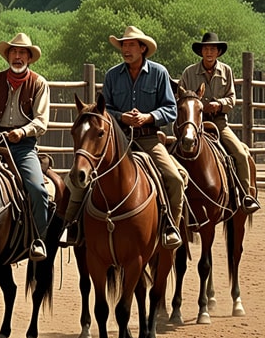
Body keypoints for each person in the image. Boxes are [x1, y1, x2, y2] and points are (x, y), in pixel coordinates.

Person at [65, 26, 185, 249]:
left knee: (175, 179)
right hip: (116, 140)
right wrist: (122, 117)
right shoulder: (112, 75)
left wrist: (148, 117)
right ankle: (72, 224)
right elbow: (104, 109)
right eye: (123, 45)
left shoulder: (159, 73)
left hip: (148, 138)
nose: (125, 49)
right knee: (84, 173)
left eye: (130, 45)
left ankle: (170, 226)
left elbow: (171, 109)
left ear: (142, 48)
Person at [0, 33, 50, 261]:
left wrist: (23, 132)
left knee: (37, 189)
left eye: (22, 53)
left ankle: (38, 238)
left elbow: (41, 121)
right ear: (8, 56)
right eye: (14, 52)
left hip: (23, 146)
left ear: (29, 57)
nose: (17, 57)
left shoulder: (39, 83)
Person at [178, 32, 260, 214]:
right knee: (173, 152)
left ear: (218, 52)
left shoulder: (226, 71)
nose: (209, 52)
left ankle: (246, 195)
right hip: (194, 124)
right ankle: (171, 200)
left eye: (213, 49)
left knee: (240, 153)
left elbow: (231, 99)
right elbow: (181, 97)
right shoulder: (188, 73)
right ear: (201, 51)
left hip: (218, 123)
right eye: (206, 48)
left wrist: (219, 104)